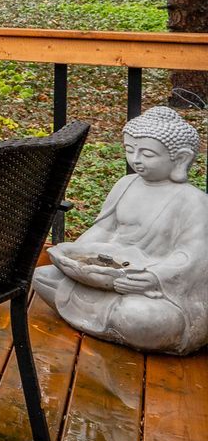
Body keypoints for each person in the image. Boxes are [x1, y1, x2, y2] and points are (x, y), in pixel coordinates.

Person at [34, 105, 208, 355]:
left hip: (152, 290)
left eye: (147, 153)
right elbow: (103, 229)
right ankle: (113, 324)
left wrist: (153, 278)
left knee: (142, 317)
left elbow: (193, 258)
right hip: (109, 275)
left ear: (180, 158)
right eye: (129, 150)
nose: (136, 159)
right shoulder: (126, 185)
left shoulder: (193, 201)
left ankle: (126, 324)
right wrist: (75, 256)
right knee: (44, 277)